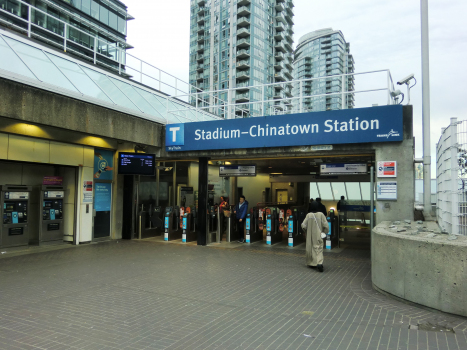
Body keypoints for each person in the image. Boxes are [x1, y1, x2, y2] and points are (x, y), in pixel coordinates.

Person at [301, 201, 329, 272]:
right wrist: (324, 232)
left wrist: (306, 231)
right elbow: (326, 226)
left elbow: (303, 225)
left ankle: (312, 263)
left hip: (310, 236)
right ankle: (319, 263)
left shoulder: (309, 215)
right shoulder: (321, 215)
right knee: (318, 248)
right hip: (318, 235)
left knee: (310, 249)